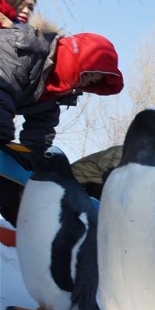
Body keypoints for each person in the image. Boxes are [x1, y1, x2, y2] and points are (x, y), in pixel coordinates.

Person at [0, 17, 124, 226]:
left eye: (93, 82)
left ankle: (29, 231)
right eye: (90, 73)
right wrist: (2, 137)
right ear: (80, 58)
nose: (87, 81)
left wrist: (36, 160)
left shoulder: (54, 92)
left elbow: (40, 131)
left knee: (19, 180)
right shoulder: (23, 48)